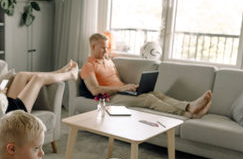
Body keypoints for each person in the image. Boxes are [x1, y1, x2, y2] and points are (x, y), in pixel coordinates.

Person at [80, 33, 212, 118]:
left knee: (157, 94)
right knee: (148, 99)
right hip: (111, 98)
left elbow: (114, 80)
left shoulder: (108, 60)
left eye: (107, 47)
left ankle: (189, 105)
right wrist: (121, 89)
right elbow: (95, 90)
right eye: (103, 47)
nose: (106, 50)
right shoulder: (88, 66)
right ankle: (187, 114)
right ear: (93, 46)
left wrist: (129, 87)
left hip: (123, 92)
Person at [0, 57, 78, 113]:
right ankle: (70, 75)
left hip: (7, 106)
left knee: (21, 75)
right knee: (38, 79)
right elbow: (0, 107)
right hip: (12, 113)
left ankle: (58, 72)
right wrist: (0, 94)